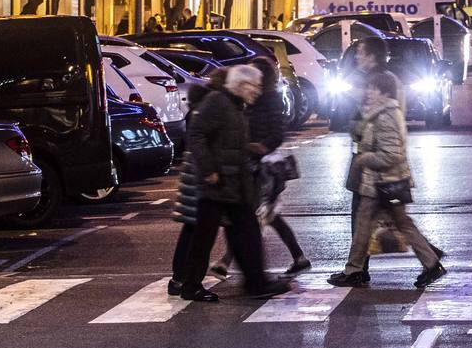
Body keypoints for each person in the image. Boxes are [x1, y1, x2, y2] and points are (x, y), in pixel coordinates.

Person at [170, 65, 284, 302]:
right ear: (242, 85)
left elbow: (227, 141)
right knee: (205, 238)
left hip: (233, 184)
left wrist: (249, 150)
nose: (257, 91)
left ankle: (256, 283)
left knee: (245, 233)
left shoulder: (234, 105)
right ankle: (192, 286)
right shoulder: (218, 102)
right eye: (255, 86)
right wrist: (209, 169)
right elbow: (197, 135)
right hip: (217, 184)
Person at [331, 70, 447, 289]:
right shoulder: (378, 113)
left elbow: (392, 154)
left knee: (371, 225)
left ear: (383, 92)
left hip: (384, 182)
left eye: (372, 89)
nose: (368, 92)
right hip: (381, 182)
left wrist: (365, 158)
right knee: (384, 224)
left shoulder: (386, 115)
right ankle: (430, 264)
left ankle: (355, 270)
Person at [210, 56, 309, 281]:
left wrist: (260, 147)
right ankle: (299, 257)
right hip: (253, 161)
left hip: (266, 164)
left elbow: (277, 131)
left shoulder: (270, 100)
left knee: (251, 215)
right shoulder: (251, 100)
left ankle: (226, 262)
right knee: (269, 214)